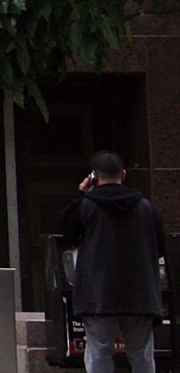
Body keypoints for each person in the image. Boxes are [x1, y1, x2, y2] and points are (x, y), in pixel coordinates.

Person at [59, 151, 167, 373]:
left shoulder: (86, 206)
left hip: (97, 295)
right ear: (123, 174)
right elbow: (160, 248)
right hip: (140, 294)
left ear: (94, 176)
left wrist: (80, 194)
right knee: (141, 355)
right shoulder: (146, 207)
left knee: (99, 352)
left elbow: (67, 231)